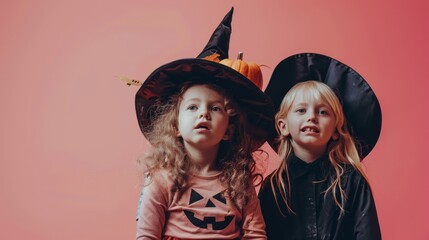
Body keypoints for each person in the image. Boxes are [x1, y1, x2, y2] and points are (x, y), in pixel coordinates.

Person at [134, 8, 274, 240]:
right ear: (176, 125)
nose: (204, 114)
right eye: (193, 107)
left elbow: (255, 234)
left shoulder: (239, 181)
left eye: (215, 108)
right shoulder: (161, 179)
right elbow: (147, 236)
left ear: (229, 129)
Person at [258, 53, 382, 240]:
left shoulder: (352, 181)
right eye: (301, 110)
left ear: (335, 129)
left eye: (323, 112)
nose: (312, 117)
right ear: (283, 126)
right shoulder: (274, 186)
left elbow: (368, 235)